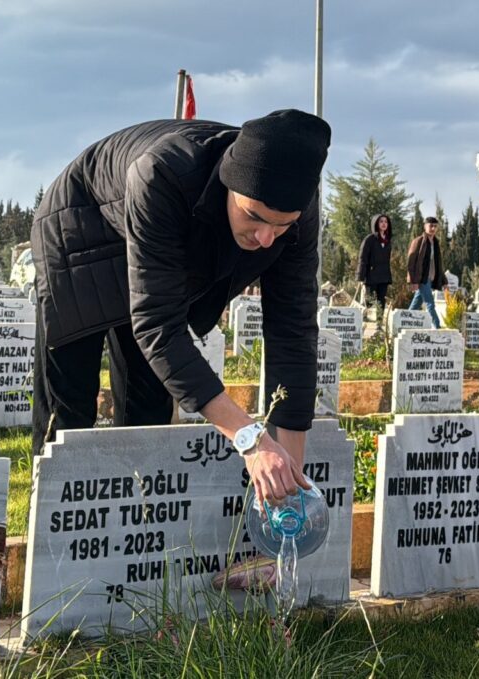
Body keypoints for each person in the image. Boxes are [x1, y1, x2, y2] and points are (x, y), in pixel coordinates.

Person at [30, 109, 331, 507]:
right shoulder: (164, 173)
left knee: (149, 407)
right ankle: (51, 524)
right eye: (254, 217)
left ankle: (134, 529)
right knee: (70, 411)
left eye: (281, 225)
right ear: (229, 184)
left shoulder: (298, 213)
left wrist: (290, 478)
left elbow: (292, 332)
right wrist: (250, 438)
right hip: (80, 231)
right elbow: (158, 327)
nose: (265, 237)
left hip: (161, 243)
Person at [406, 215, 445, 328]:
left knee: (416, 304)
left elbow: (438, 264)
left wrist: (444, 280)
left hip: (430, 278)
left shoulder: (435, 243)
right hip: (421, 278)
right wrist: (412, 281)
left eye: (435, 226)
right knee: (430, 304)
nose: (433, 228)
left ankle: (404, 320)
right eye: (430, 226)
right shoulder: (418, 241)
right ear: (425, 226)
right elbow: (411, 262)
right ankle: (437, 326)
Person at [356, 214, 393, 307]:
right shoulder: (369, 239)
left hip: (384, 277)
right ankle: (366, 321)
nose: (384, 223)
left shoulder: (388, 241)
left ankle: (379, 321)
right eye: (381, 221)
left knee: (381, 302)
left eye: (386, 221)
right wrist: (360, 277)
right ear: (376, 223)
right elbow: (362, 258)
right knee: (369, 302)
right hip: (371, 276)